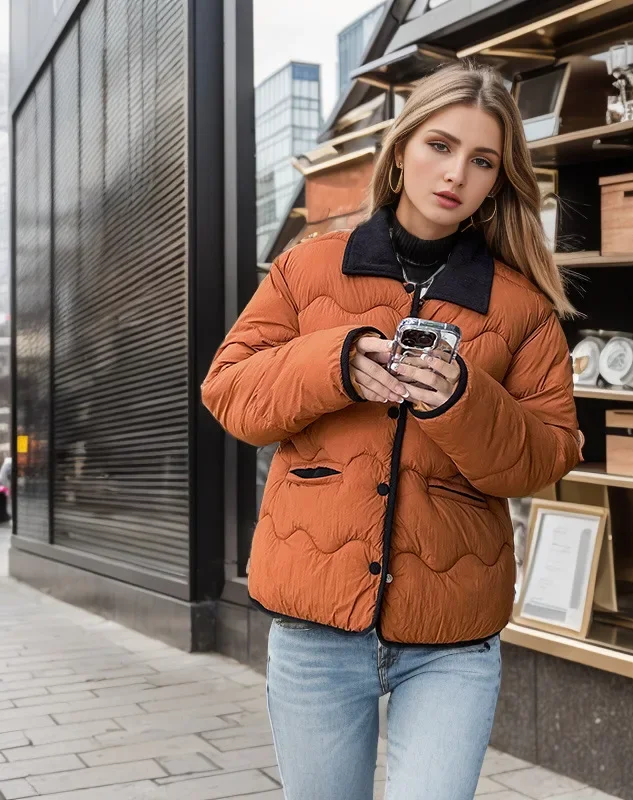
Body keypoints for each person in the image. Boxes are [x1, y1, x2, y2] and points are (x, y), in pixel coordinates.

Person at [202, 59, 582, 800]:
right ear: (401, 150)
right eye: (440, 146)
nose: (456, 174)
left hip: (452, 639)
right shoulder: (306, 271)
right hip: (316, 627)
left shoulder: (522, 309)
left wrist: (461, 400)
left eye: (481, 161)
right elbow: (231, 392)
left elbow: (547, 459)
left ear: (498, 181)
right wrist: (336, 363)